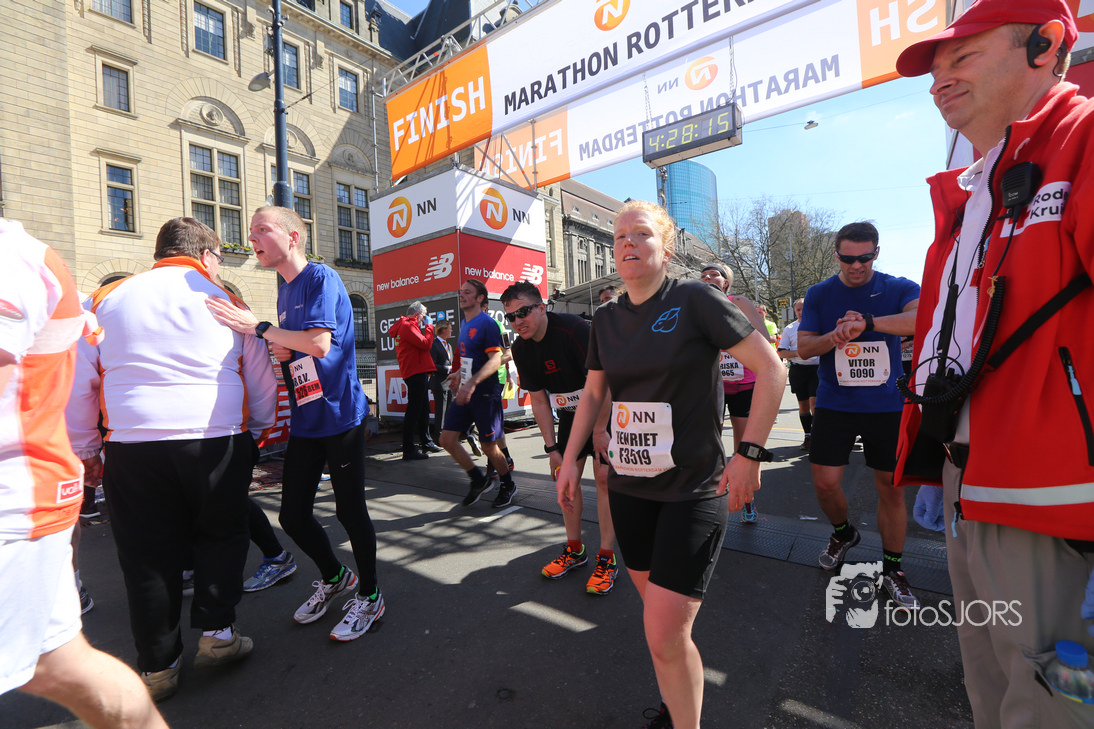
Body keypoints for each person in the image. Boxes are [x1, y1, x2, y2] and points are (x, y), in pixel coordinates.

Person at [894, 1, 1094, 725]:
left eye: (962, 57)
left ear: (1046, 45)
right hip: (969, 482)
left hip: (1050, 498)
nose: (938, 81)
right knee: (991, 683)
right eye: (935, 69)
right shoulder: (974, 187)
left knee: (1053, 701)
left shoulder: (1084, 140)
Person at [557, 201, 784, 729]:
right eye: (620, 236)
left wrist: (750, 454)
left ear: (666, 246)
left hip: (693, 491)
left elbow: (772, 370)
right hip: (631, 490)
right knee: (664, 629)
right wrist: (569, 459)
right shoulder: (605, 319)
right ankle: (676, 701)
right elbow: (594, 394)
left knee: (663, 633)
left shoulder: (695, 300)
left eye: (641, 234)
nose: (628, 243)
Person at [66, 218, 277, 701]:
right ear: (206, 255)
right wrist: (257, 433)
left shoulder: (106, 298)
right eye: (219, 258)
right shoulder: (227, 300)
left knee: (146, 555)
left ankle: (158, 665)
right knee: (221, 534)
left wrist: (87, 449)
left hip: (133, 443)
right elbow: (260, 377)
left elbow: (80, 381)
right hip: (216, 436)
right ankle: (218, 634)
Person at [0, 218, 168, 727]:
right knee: (61, 665)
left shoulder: (14, 261)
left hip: (22, 498)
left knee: (61, 664)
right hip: (42, 485)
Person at [206, 206, 384, 642]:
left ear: (293, 236)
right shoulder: (285, 289)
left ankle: (371, 596)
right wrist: (283, 348)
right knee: (292, 515)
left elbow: (320, 344)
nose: (252, 238)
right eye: (250, 232)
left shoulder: (321, 278)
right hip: (307, 419)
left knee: (349, 511)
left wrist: (261, 328)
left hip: (340, 416)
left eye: (261, 230)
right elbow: (300, 346)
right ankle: (335, 576)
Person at [796, 222, 921, 611]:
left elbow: (923, 319)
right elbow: (804, 348)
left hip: (886, 406)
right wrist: (833, 337)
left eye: (864, 258)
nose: (856, 266)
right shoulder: (820, 293)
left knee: (891, 488)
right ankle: (843, 533)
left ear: (876, 253)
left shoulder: (897, 287)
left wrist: (868, 322)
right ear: (836, 255)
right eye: (847, 258)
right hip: (835, 404)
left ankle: (894, 569)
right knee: (825, 484)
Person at [500, 281, 619, 594]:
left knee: (604, 479)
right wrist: (552, 448)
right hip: (570, 415)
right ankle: (575, 550)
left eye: (523, 312)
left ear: (542, 308)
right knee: (566, 481)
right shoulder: (520, 349)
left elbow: (604, 383)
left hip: (606, 409)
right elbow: (539, 401)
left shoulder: (575, 329)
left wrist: (600, 430)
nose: (517, 321)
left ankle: (607, 558)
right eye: (510, 316)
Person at [699, 263, 770, 525]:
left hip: (743, 384)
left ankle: (748, 500)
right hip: (712, 385)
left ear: (726, 282)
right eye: (703, 276)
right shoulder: (696, 307)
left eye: (714, 275)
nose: (708, 278)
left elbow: (764, 339)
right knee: (708, 443)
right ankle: (709, 499)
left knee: (744, 445)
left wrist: (735, 342)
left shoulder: (738, 302)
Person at [439, 279, 518, 509]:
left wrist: (474, 381)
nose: (461, 294)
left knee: (488, 445)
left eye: (467, 292)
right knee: (446, 439)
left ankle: (507, 484)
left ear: (481, 299)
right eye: (460, 291)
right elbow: (469, 359)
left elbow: (500, 356)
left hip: (485, 391)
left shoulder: (489, 324)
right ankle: (478, 480)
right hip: (467, 390)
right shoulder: (465, 323)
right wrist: (458, 374)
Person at [390, 301, 439, 460]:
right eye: (424, 316)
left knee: (423, 408)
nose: (424, 319)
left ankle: (426, 442)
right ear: (417, 314)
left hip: (417, 371)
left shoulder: (407, 325)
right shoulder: (407, 326)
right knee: (414, 410)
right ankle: (409, 449)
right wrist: (429, 327)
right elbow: (426, 344)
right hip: (415, 372)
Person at [778, 298, 820, 451]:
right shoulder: (790, 328)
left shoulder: (819, 325)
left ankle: (818, 436)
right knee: (803, 405)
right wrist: (799, 353)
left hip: (817, 370)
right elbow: (782, 352)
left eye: (804, 308)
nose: (801, 312)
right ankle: (807, 435)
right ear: (795, 311)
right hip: (798, 371)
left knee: (814, 403)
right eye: (798, 309)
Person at [429, 320, 454, 446]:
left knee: (449, 411)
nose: (451, 330)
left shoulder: (449, 345)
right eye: (450, 328)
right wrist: (447, 369)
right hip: (439, 383)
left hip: (450, 384)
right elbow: (432, 365)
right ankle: (439, 439)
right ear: (443, 329)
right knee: (441, 412)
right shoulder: (434, 345)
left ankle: (448, 437)